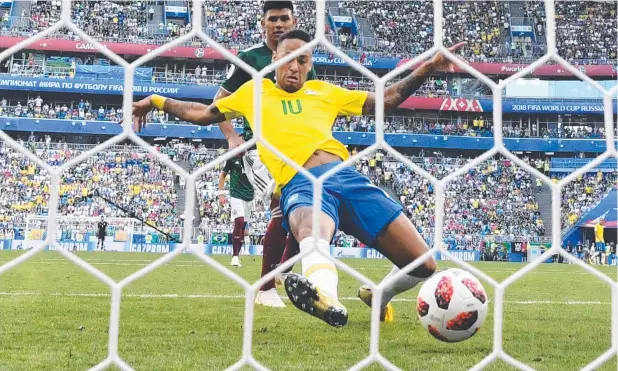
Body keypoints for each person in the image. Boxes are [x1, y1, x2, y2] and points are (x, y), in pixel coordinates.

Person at [130, 29, 464, 328]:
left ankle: (379, 294)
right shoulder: (254, 92)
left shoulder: (324, 92)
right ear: (274, 58)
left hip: (347, 178)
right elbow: (202, 114)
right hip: (300, 182)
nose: (294, 67)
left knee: (424, 265)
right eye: (287, 59)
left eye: (302, 60)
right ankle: (328, 300)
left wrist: (430, 66)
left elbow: (387, 100)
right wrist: (155, 101)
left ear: (309, 64)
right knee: (312, 230)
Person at [213, 0, 316, 307]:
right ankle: (266, 287)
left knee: (301, 210)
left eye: (285, 18)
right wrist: (232, 138)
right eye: (273, 19)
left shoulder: (305, 58)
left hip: (297, 147)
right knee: (282, 208)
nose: (280, 24)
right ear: (263, 24)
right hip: (260, 149)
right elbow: (219, 102)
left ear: (294, 20)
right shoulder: (249, 59)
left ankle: (284, 271)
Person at [218, 156, 254, 267]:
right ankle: (234, 256)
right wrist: (221, 193)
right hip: (236, 195)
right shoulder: (232, 158)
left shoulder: (254, 157)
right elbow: (223, 174)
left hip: (250, 196)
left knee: (243, 226)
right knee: (239, 221)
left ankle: (237, 255)